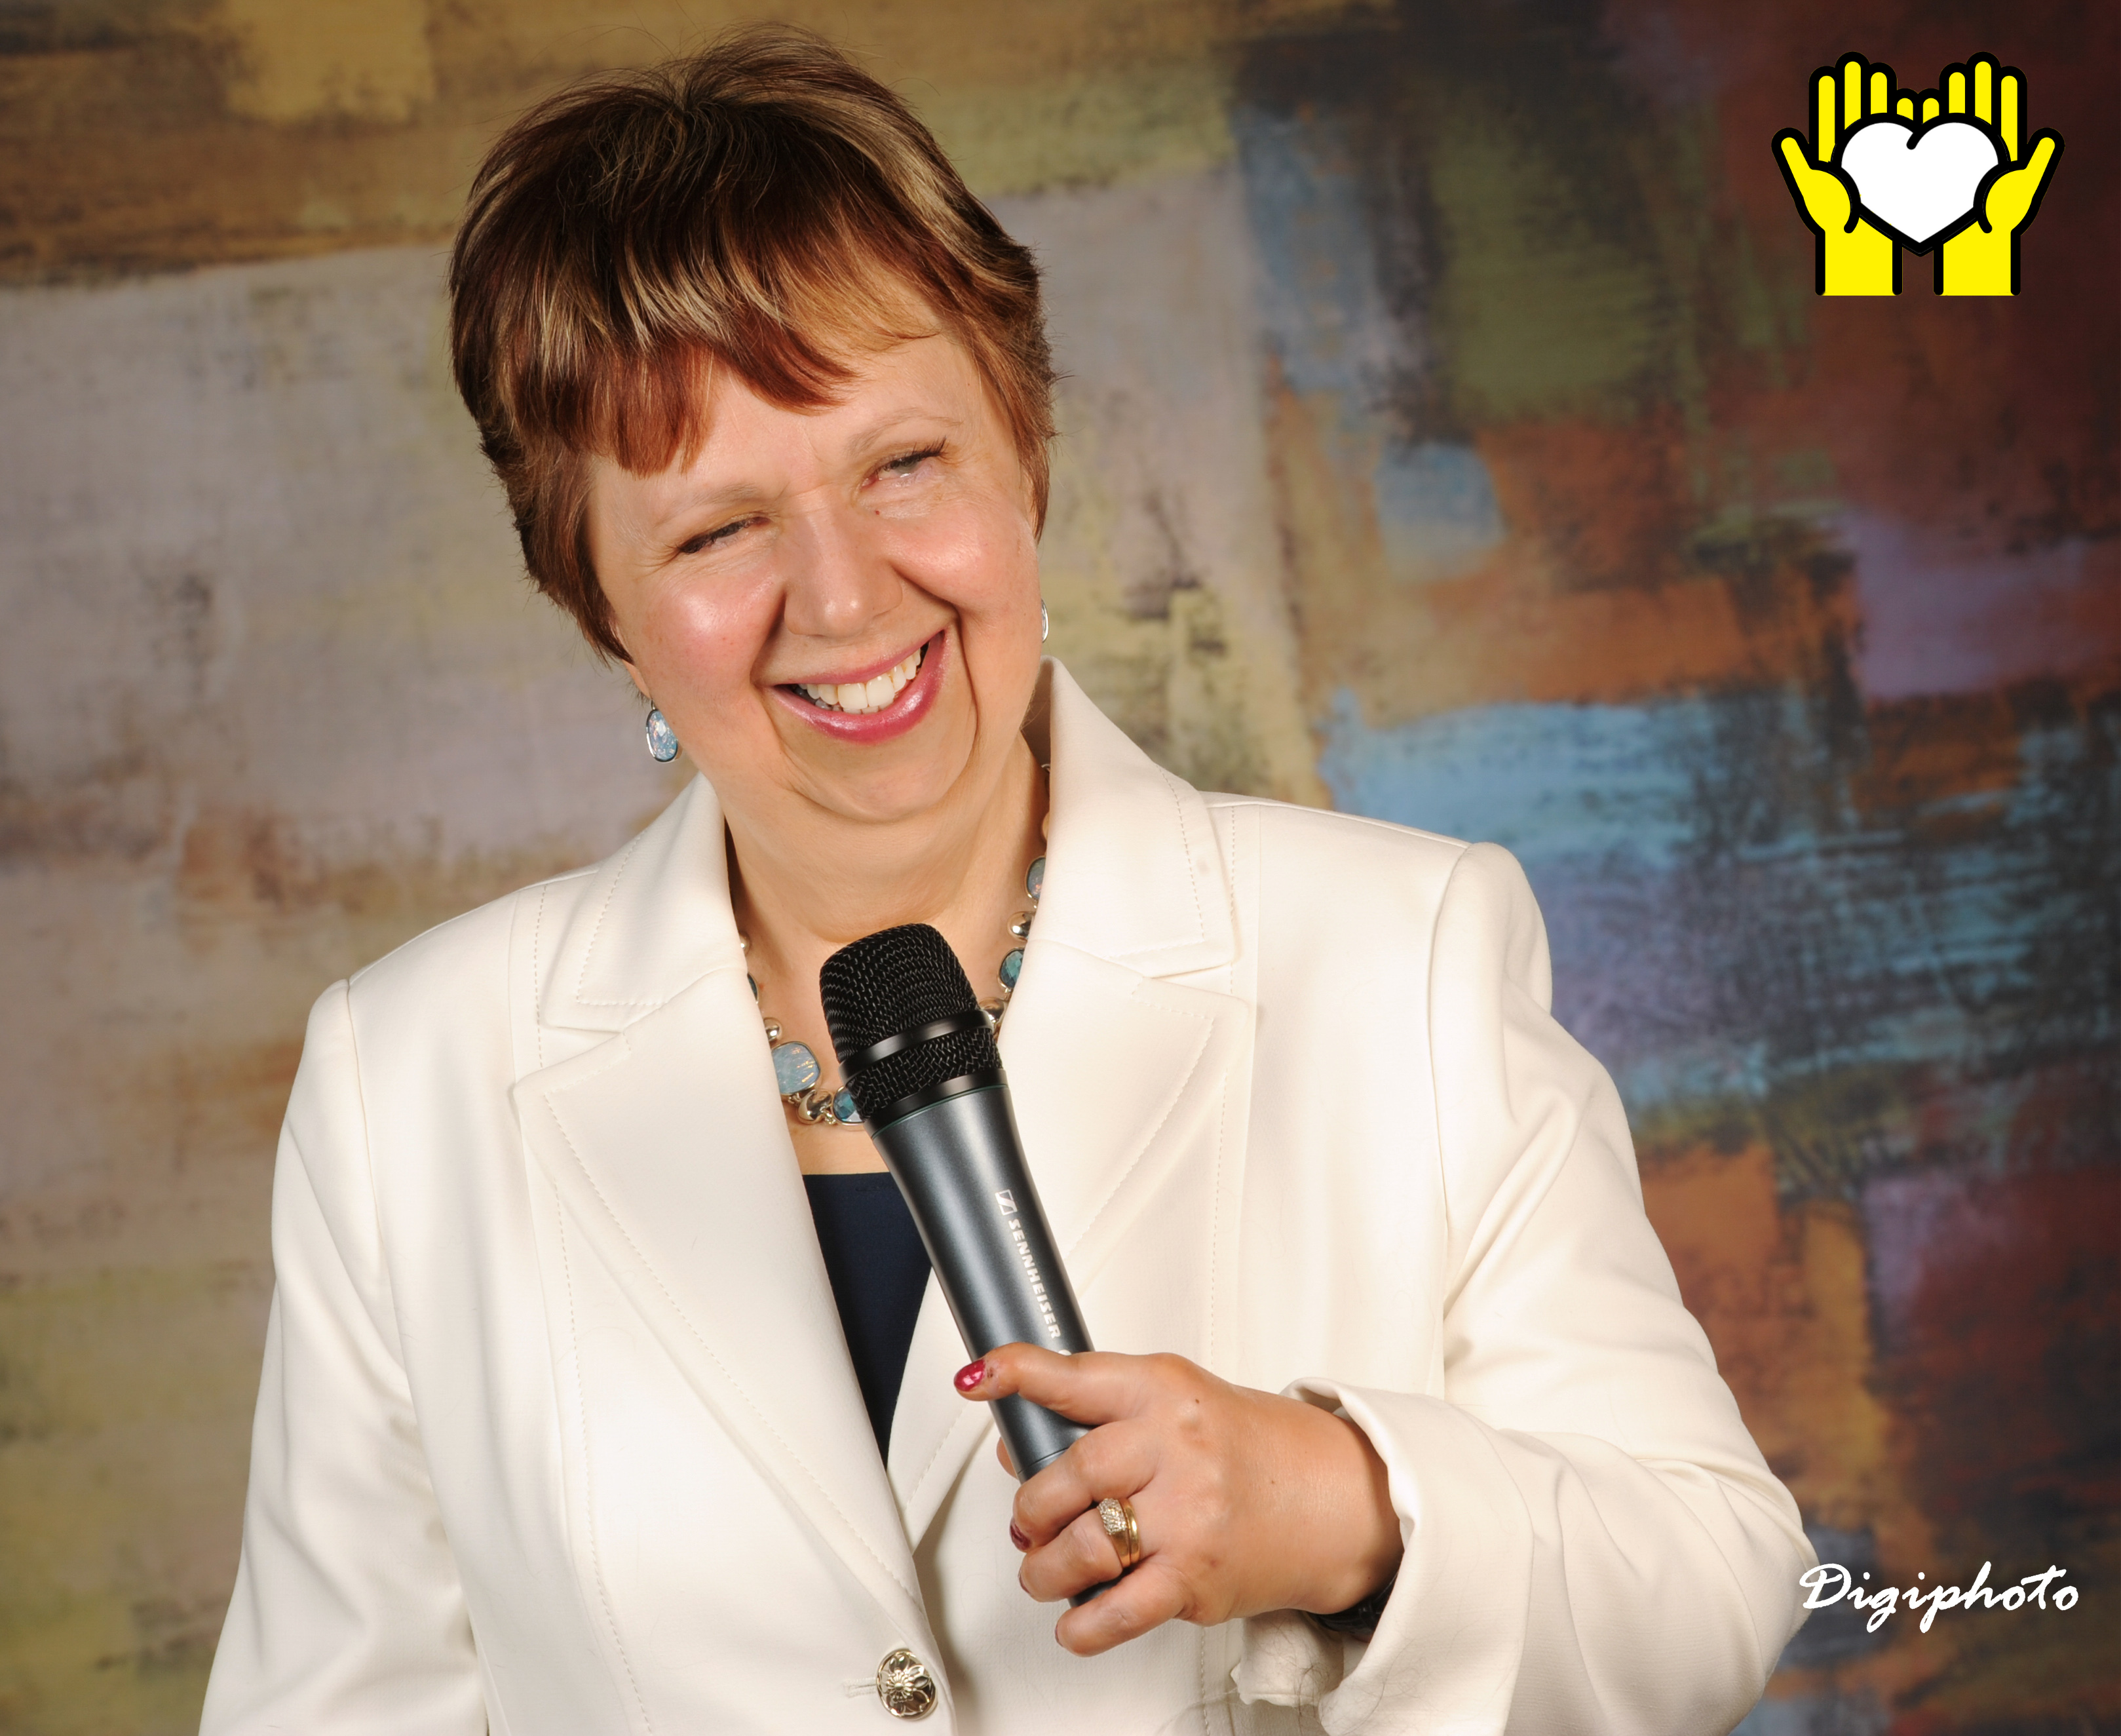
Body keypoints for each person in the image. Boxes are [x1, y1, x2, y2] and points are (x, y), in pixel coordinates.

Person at [200, 27, 1812, 1735]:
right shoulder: (410, 1081)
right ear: (599, 605)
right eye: (714, 529)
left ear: (1023, 458)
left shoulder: (1393, 953)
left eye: (903, 463)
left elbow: (1708, 1579)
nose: (841, 598)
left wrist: (1335, 1502)